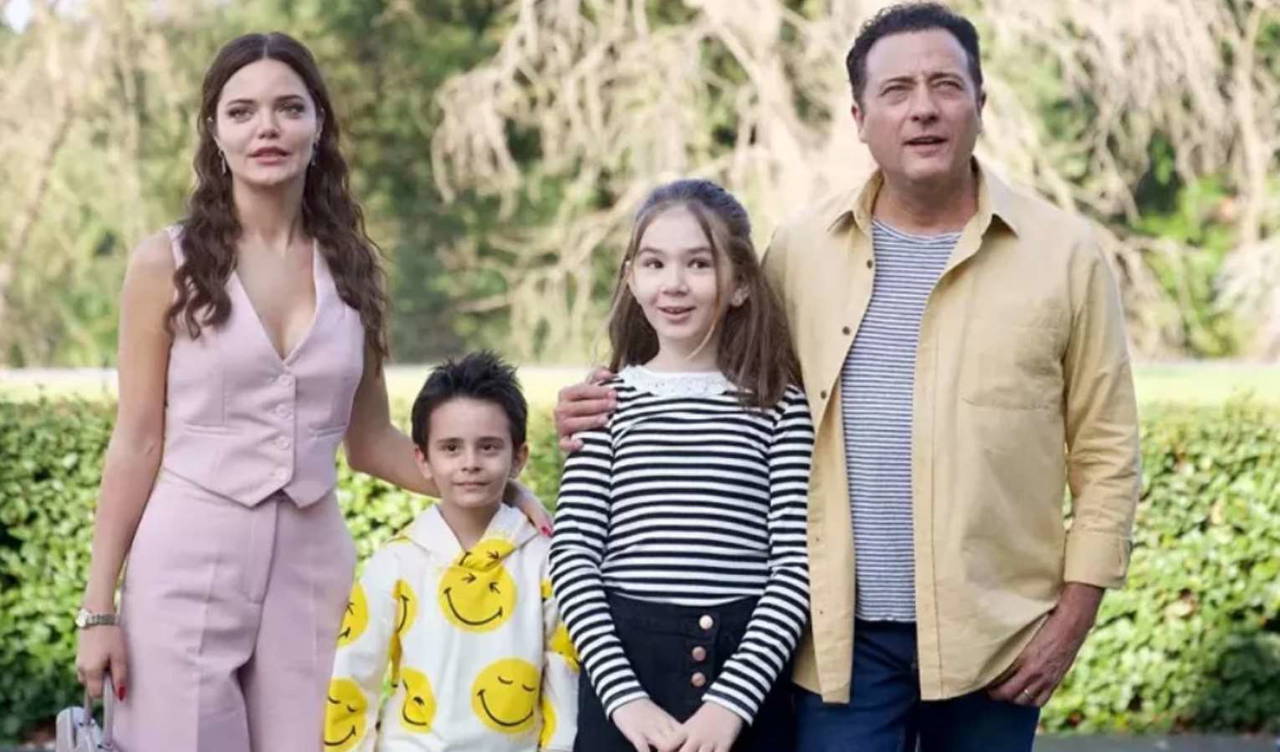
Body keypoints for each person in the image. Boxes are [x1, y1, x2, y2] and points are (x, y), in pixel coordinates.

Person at [554, 4, 1141, 751]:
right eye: (896, 91)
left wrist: (1072, 621)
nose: (923, 108)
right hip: (838, 644)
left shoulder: (1064, 256)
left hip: (997, 638)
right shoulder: (800, 250)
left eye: (945, 85)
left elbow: (1107, 451)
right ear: (859, 118)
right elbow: (702, 347)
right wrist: (597, 399)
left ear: (981, 102)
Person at [72, 32, 546, 752]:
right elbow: (136, 440)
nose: (266, 127)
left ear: (318, 123)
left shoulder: (354, 270)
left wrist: (497, 484)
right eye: (242, 111)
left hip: (312, 566)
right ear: (214, 131)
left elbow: (371, 441)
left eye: (289, 108)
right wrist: (99, 610)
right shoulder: (163, 263)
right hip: (185, 557)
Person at [549, 179, 814, 752]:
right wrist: (624, 698)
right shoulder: (606, 404)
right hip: (625, 681)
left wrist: (730, 705)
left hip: (745, 683)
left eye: (699, 263)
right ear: (631, 278)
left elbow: (795, 567)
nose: (674, 283)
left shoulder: (778, 406)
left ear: (740, 284)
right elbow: (573, 557)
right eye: (654, 263)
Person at [325, 351, 578, 752]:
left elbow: (564, 685)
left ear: (519, 458)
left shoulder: (545, 563)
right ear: (422, 459)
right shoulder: (396, 562)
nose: (470, 463)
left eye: (489, 447)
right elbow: (353, 679)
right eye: (451, 448)